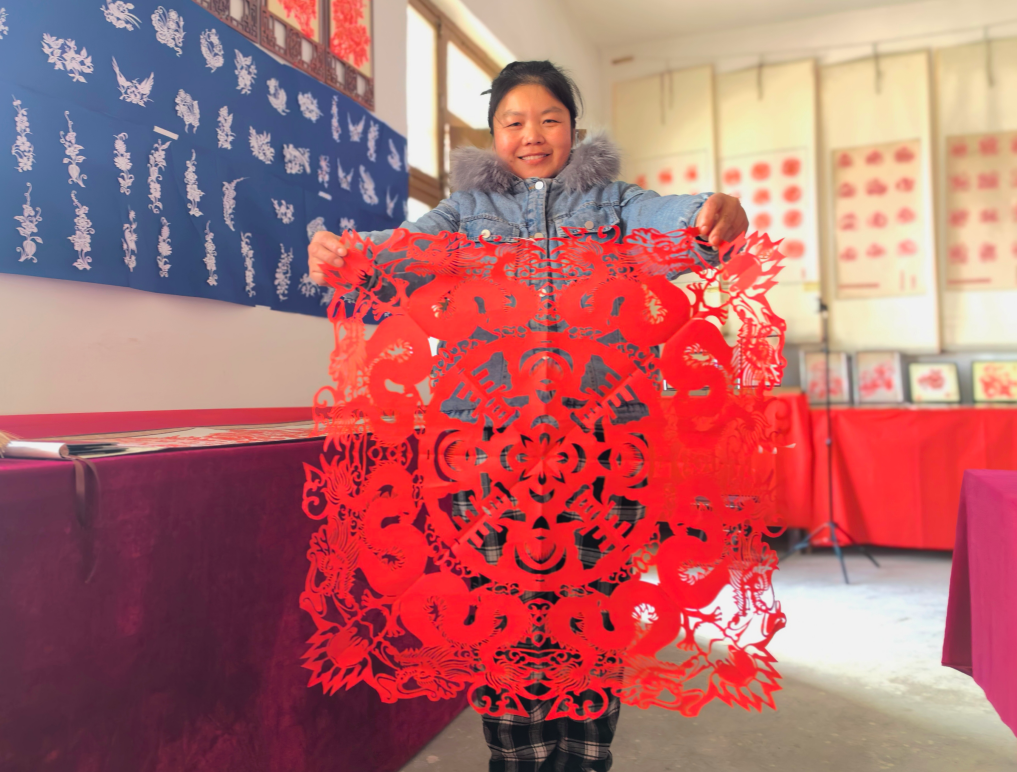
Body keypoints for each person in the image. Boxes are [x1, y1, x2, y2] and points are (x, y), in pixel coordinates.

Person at [308, 60, 749, 772]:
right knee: (502, 612)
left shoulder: (614, 204)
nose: (532, 135)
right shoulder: (463, 215)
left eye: (549, 119)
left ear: (574, 128)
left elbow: (672, 224)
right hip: (484, 452)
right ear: (494, 135)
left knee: (592, 611)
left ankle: (586, 757)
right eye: (513, 122)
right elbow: (398, 257)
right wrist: (346, 253)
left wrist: (711, 214)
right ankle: (517, 760)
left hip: (600, 449)